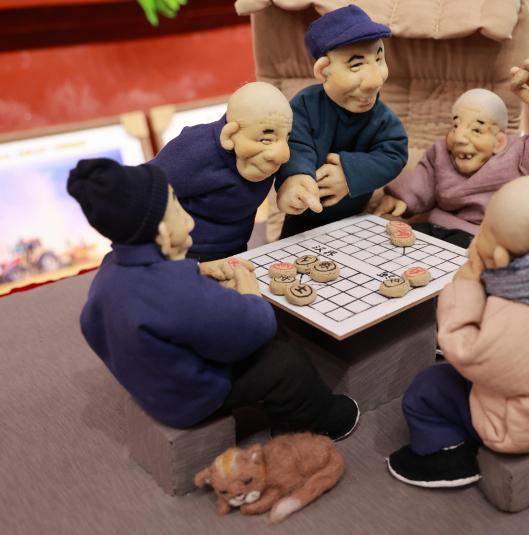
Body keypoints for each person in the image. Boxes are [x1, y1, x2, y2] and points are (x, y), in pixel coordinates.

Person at [67, 158, 359, 440]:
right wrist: (248, 290)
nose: (188, 218)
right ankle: (313, 425)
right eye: (176, 205)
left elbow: (101, 319)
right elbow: (256, 327)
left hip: (150, 383)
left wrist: (199, 269)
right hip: (190, 398)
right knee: (285, 363)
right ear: (164, 232)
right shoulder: (178, 291)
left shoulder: (109, 269)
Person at [387, 176, 529, 487]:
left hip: (515, 427)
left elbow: (462, 353)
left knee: (427, 388)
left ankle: (445, 456)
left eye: (484, 230)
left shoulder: (512, 318)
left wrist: (466, 284)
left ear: (500, 256)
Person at [374, 58, 529, 248]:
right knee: (397, 244)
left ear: (499, 141)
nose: (459, 138)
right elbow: (424, 178)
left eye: (476, 130)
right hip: (436, 225)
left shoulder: (515, 156)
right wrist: (402, 197)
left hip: (479, 239)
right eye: (455, 126)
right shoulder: (441, 151)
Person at [275, 4, 409, 237]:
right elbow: (294, 144)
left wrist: (350, 173)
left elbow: (394, 154)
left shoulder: (382, 118)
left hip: (356, 221)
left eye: (379, 59)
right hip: (305, 222)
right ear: (323, 71)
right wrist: (297, 178)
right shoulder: (305, 105)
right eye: (356, 65)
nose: (375, 80)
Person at [152, 82, 293, 263]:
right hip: (186, 252)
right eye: (266, 139)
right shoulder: (194, 151)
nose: (283, 155)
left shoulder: (271, 153)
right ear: (229, 136)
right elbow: (146, 187)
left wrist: (295, 181)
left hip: (237, 248)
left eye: (287, 137)